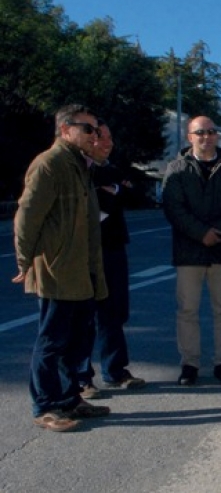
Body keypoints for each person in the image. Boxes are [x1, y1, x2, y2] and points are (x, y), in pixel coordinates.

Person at [14, 104, 111, 432]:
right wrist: (24, 260)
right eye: (88, 129)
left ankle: (70, 399)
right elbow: (27, 215)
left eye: (96, 130)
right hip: (57, 270)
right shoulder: (50, 163)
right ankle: (45, 406)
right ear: (65, 130)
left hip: (80, 270)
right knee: (52, 341)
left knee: (77, 340)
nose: (94, 136)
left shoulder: (79, 165)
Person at [162, 116, 221, 386]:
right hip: (189, 252)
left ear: (217, 136)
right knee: (187, 311)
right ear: (190, 137)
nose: (206, 137)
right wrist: (200, 233)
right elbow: (173, 208)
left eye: (211, 132)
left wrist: (216, 232)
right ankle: (190, 364)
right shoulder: (176, 169)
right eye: (200, 133)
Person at [77, 122, 145, 399]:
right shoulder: (80, 170)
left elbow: (133, 195)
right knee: (83, 316)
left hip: (114, 249)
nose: (108, 143)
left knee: (114, 313)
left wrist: (114, 191)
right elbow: (94, 206)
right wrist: (114, 193)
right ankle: (82, 378)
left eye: (110, 137)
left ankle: (115, 371)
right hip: (86, 252)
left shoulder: (113, 170)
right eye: (101, 137)